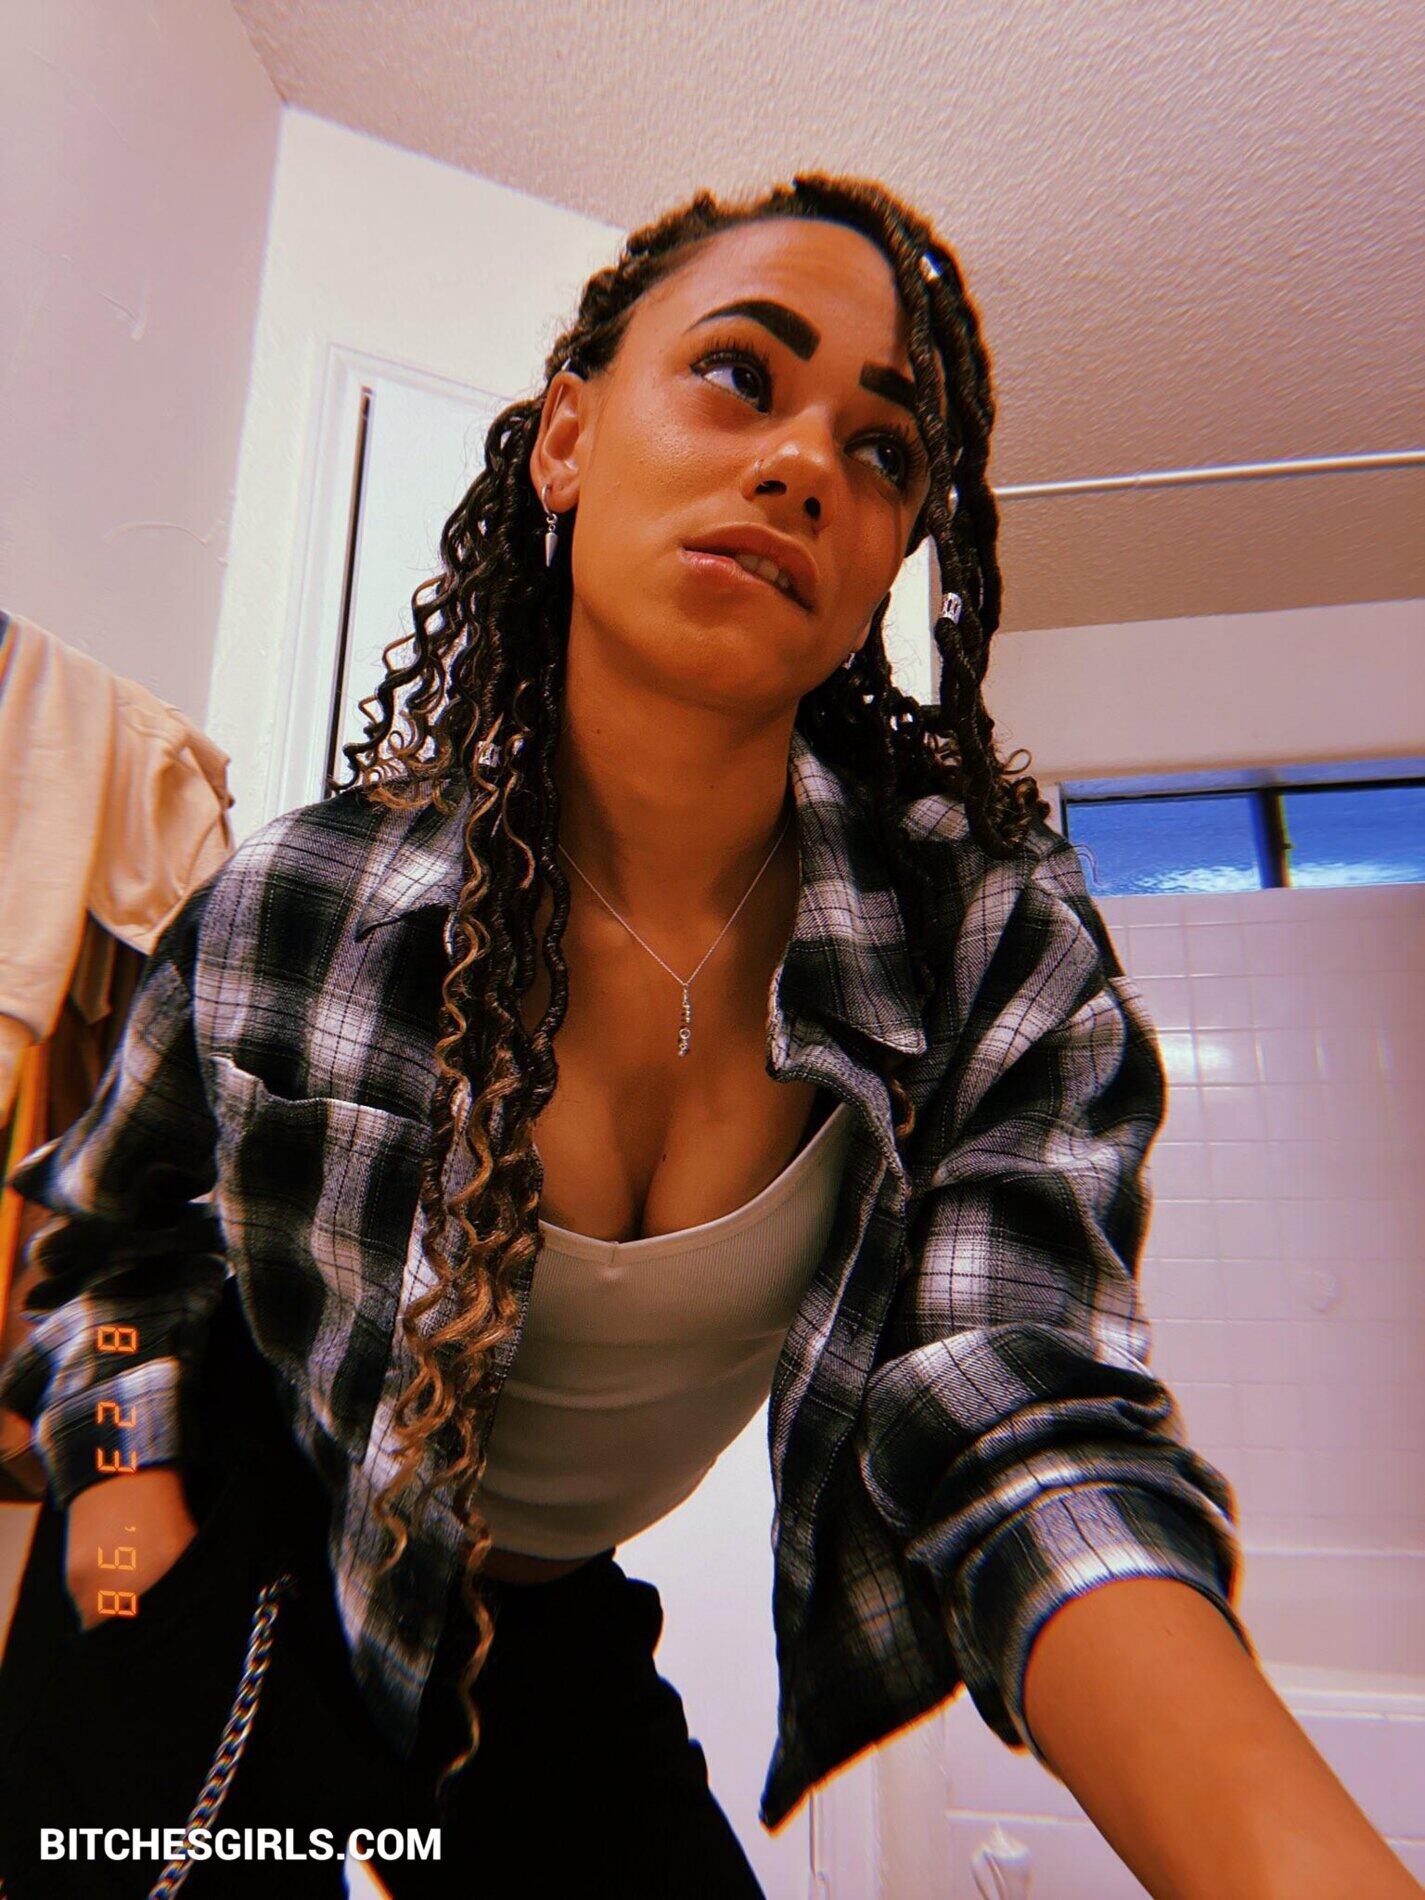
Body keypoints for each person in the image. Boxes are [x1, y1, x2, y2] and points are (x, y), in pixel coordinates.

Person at [0, 173, 1411, 1900]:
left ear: (889, 554)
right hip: (241, 1548)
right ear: (568, 440)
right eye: (741, 375)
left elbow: (1017, 1419)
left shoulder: (979, 945)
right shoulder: (310, 893)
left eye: (882, 450)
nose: (806, 461)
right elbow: (115, 1239)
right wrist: (118, 1489)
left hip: (539, 1621)